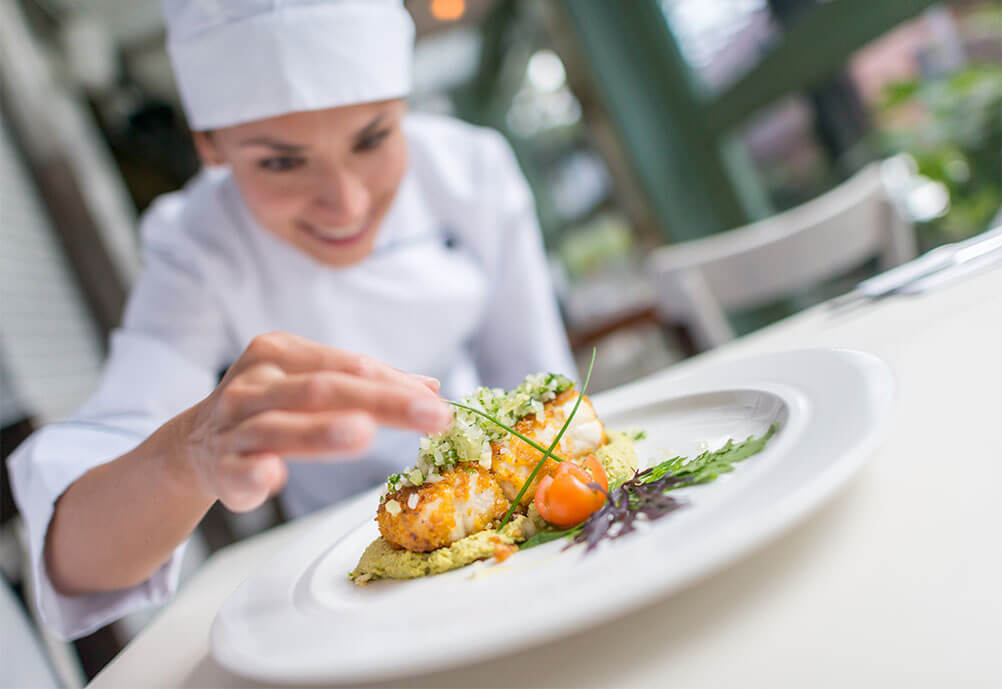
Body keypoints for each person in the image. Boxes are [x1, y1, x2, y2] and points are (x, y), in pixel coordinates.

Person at [8, 0, 574, 641]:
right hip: (336, 577)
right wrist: (187, 455)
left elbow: (546, 395)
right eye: (281, 161)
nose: (347, 204)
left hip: (503, 514)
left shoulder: (472, 171)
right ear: (211, 147)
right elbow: (76, 562)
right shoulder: (197, 243)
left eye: (373, 138)